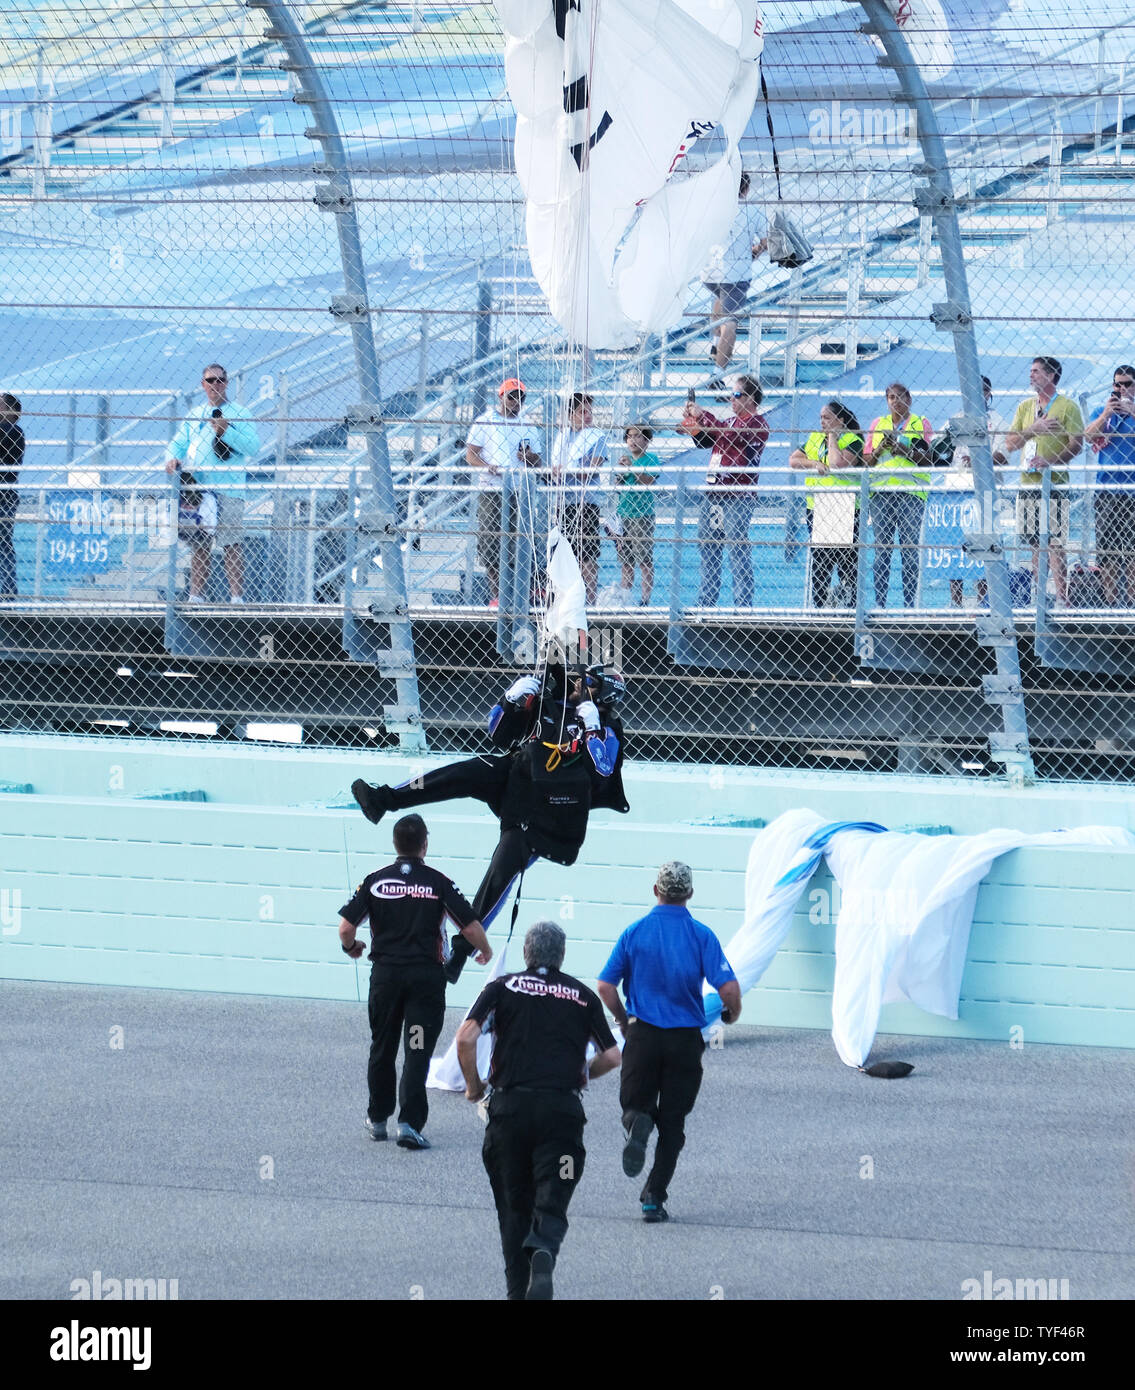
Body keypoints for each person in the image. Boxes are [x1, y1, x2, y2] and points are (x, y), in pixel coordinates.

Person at [350, 662, 629, 983]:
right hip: (516, 777)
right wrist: (510, 701)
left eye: (589, 684)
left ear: (604, 694)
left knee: (502, 870)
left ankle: (459, 954)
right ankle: (382, 800)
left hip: (545, 811)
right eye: (579, 680)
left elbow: (603, 773)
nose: (579, 686)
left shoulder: (607, 727)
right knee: (466, 771)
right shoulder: (548, 706)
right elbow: (498, 733)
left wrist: (591, 728)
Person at [457, 920, 621, 1300]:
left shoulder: (501, 987)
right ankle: (545, 1245)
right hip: (561, 1113)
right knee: (558, 1181)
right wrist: (583, 1074)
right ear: (561, 956)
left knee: (513, 1209)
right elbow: (612, 1057)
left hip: (509, 1111)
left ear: (526, 954)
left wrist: (474, 1087)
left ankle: (519, 1291)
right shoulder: (582, 996)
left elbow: (465, 1038)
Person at [596, 862, 741, 1224]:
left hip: (643, 1034)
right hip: (684, 1041)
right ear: (689, 894)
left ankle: (637, 1123)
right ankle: (654, 1197)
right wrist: (731, 1014)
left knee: (633, 1104)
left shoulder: (635, 932)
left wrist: (621, 1017)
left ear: (655, 890)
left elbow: (604, 986)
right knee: (674, 1124)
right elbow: (729, 990)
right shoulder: (701, 935)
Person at [337, 813, 491, 1150]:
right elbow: (469, 926)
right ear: (425, 844)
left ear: (395, 844)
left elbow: (346, 928)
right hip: (425, 980)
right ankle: (409, 1123)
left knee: (383, 1046)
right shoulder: (438, 883)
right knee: (417, 1049)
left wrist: (352, 949)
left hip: (386, 978)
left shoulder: (375, 881)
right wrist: (485, 951)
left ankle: (377, 1120)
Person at [164, 363, 260, 603]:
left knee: (231, 543)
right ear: (202, 384)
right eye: (210, 380)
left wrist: (227, 431)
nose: (215, 384)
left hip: (229, 489)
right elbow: (177, 445)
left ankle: (236, 597)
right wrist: (171, 458)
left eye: (220, 380)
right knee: (200, 544)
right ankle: (196, 596)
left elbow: (253, 447)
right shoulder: (195, 415)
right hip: (201, 490)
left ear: (227, 383)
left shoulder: (241, 413)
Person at [679, 375, 768, 608]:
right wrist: (693, 425)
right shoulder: (728, 422)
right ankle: (706, 601)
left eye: (737, 394)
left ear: (751, 398)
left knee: (737, 547)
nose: (731, 399)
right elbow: (706, 441)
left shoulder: (758, 423)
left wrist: (704, 416)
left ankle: (742, 605)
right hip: (715, 493)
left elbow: (734, 437)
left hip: (738, 494)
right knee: (708, 546)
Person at [1004, 355, 1084, 606]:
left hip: (1055, 483)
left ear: (1051, 376)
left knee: (1054, 541)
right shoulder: (1024, 408)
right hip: (1028, 483)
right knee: (1034, 542)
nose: (1031, 375)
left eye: (1037, 371)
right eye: (1031, 371)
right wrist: (1033, 429)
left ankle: (1062, 597)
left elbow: (1076, 444)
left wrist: (1051, 460)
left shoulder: (1068, 407)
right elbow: (1010, 444)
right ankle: (1038, 596)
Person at [465, 378, 542, 609]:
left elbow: (538, 460)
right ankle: (498, 594)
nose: (516, 401)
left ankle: (526, 591)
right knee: (491, 541)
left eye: (520, 397)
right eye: (511, 396)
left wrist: (530, 458)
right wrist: (486, 466)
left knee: (522, 539)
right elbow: (471, 455)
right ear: (501, 397)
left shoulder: (527, 425)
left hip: (520, 489)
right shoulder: (485, 421)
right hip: (493, 489)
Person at [789, 400, 864, 608]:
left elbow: (836, 464)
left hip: (844, 504)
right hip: (819, 505)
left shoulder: (852, 438)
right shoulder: (814, 437)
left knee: (846, 561)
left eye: (827, 418)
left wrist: (832, 437)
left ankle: (849, 607)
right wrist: (814, 463)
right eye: (821, 418)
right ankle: (820, 606)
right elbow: (794, 460)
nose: (823, 422)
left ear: (840, 420)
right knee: (821, 562)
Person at [864, 382, 933, 609]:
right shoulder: (878, 424)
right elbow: (866, 461)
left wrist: (905, 450)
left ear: (909, 400)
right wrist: (879, 449)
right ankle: (880, 605)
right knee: (882, 550)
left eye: (900, 397)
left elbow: (929, 459)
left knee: (909, 552)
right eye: (891, 398)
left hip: (910, 493)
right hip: (881, 494)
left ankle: (909, 606)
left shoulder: (919, 423)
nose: (895, 401)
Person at [703, 171, 768, 396]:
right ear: (746, 190)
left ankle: (714, 343)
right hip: (736, 273)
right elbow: (766, 240)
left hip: (710, 271)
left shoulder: (713, 208)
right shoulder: (753, 211)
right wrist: (755, 252)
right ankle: (717, 373)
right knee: (730, 323)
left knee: (719, 299)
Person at [946, 375, 1008, 608]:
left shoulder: (998, 421)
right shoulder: (955, 420)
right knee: (955, 545)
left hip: (986, 492)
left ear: (987, 393)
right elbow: (943, 453)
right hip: (957, 489)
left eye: (978, 391)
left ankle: (983, 600)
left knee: (985, 544)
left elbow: (1003, 456)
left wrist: (979, 459)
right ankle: (956, 602)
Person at [551, 392, 608, 605]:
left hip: (586, 502)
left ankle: (589, 600)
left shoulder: (596, 436)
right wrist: (570, 470)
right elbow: (557, 470)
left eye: (589, 412)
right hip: (564, 501)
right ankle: (567, 599)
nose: (587, 416)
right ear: (570, 414)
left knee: (587, 554)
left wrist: (567, 470)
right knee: (566, 554)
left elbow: (592, 468)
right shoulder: (563, 437)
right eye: (582, 412)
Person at [1084, 364, 1135, 605]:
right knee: (1107, 551)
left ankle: (1133, 604)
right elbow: (1087, 436)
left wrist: (1131, 410)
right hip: (1107, 490)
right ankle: (1111, 603)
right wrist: (1107, 413)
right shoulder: (1101, 411)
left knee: (1133, 550)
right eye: (1118, 384)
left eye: (1127, 384)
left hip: (1133, 489)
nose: (1122, 388)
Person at [615, 423, 660, 605]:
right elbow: (618, 487)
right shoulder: (624, 459)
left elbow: (647, 481)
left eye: (637, 436)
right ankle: (625, 597)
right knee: (626, 561)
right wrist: (622, 471)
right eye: (629, 436)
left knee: (644, 560)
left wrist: (632, 468)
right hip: (624, 513)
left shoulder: (652, 459)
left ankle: (645, 599)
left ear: (647, 440)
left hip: (642, 516)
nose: (632, 440)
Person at [0, 392, 24, 601]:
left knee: (3, 543)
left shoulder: (13, 431)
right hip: (6, 496)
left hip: (4, 497)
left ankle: (7, 594)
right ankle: (7, 593)